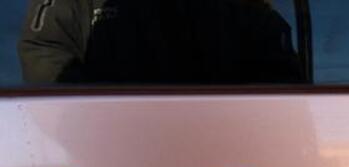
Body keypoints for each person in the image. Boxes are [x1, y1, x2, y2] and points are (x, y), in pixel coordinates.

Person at [19, 0, 304, 84]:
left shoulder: (244, 9)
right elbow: (45, 52)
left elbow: (281, 75)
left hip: (225, 152)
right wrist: (99, 117)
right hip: (104, 154)